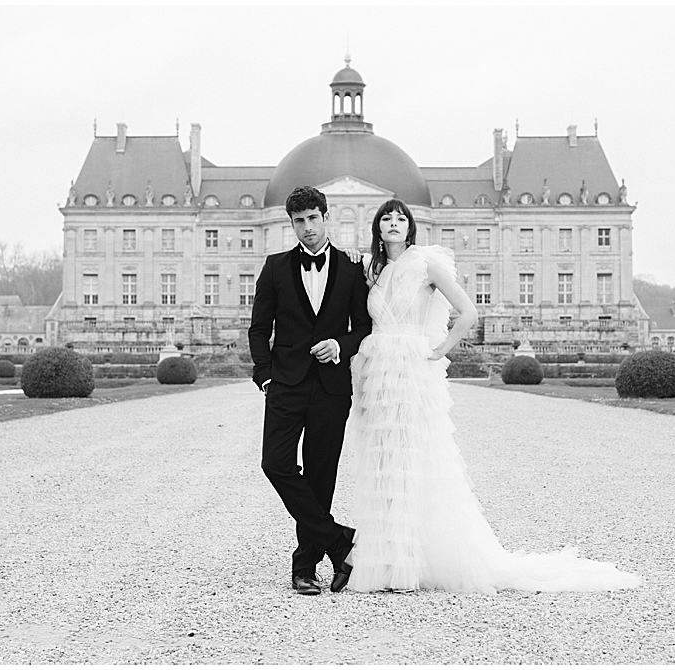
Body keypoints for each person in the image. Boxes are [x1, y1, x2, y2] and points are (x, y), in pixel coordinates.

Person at [343, 198, 642, 594]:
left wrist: (438, 349)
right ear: (377, 228)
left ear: (410, 226)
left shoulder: (426, 263)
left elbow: (468, 312)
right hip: (378, 370)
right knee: (383, 461)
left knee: (413, 459)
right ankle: (387, 559)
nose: (394, 223)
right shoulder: (372, 269)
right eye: (387, 218)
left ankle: (409, 563)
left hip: (412, 370)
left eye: (401, 218)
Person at [248, 186, 373, 596]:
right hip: (285, 384)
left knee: (321, 476)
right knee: (275, 464)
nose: (306, 228)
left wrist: (341, 346)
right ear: (292, 225)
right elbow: (259, 327)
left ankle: (304, 567)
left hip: (332, 387)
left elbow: (365, 328)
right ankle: (339, 541)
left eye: (312, 219)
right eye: (298, 221)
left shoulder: (353, 269)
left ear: (326, 217)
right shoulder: (275, 267)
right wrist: (265, 375)